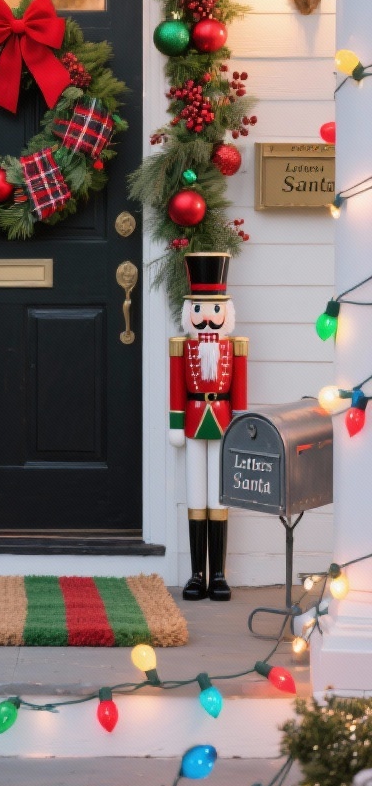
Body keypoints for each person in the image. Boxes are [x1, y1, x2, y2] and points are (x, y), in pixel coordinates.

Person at [169, 252, 247, 600]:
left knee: (219, 496)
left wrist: (242, 426)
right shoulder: (182, 347)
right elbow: (176, 388)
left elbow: (240, 392)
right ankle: (196, 574)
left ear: (225, 312)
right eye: (199, 309)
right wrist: (175, 423)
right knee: (195, 494)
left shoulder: (235, 347)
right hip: (194, 419)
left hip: (225, 421)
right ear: (190, 312)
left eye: (214, 310)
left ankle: (218, 573)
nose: (207, 318)